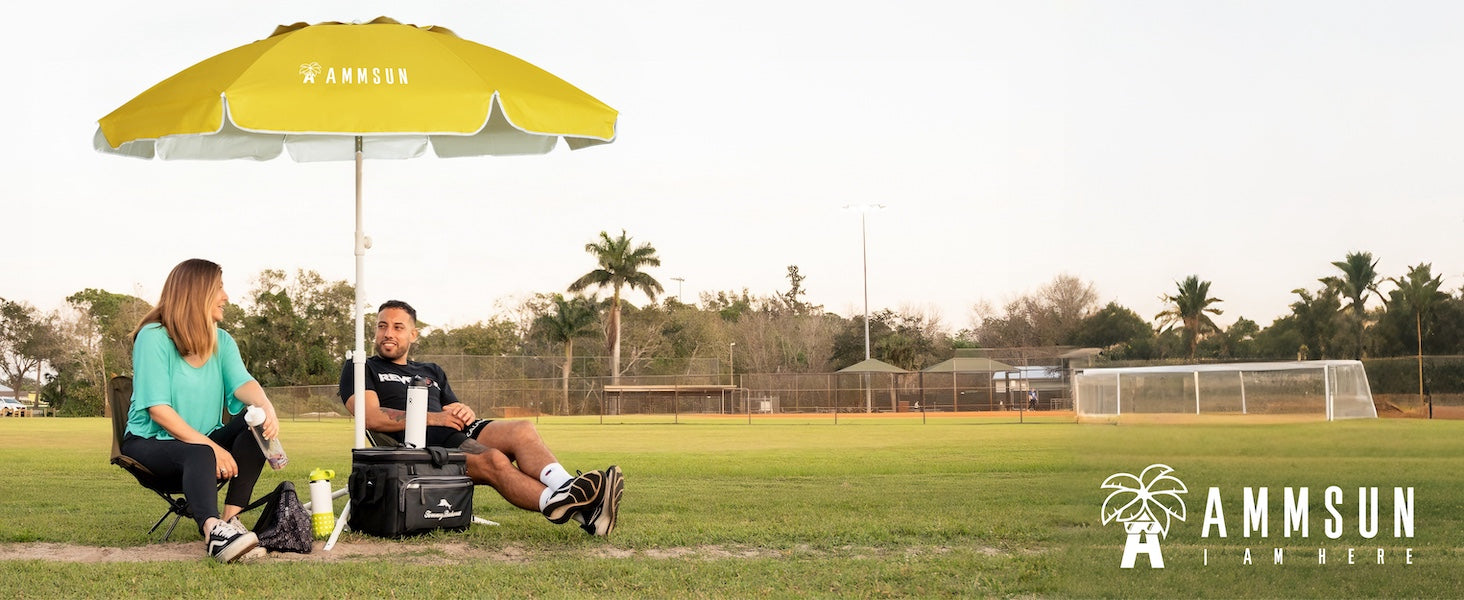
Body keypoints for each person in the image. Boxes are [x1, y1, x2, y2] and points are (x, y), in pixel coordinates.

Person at [338, 300, 624, 536]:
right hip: (417, 446)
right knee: (494, 460)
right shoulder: (362, 366)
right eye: (382, 326)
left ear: (413, 335)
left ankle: (567, 490)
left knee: (522, 429)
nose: (388, 333)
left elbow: (452, 409)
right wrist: (433, 418)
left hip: (452, 431)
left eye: (398, 327)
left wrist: (463, 409)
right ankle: (570, 505)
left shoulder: (431, 369)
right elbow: (370, 417)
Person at [121, 259, 280, 563]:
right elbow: (158, 410)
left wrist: (265, 407)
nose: (226, 296)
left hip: (200, 442)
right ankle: (212, 532)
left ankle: (231, 522)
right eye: (219, 287)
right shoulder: (153, 336)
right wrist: (210, 447)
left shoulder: (221, 339)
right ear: (198, 292)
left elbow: (243, 384)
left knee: (254, 424)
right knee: (200, 452)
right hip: (148, 443)